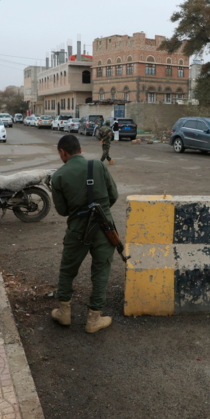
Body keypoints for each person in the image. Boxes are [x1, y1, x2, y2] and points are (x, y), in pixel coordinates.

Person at [50, 134, 119, 333]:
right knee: (101, 270)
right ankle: (94, 319)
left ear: (63, 152)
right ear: (80, 150)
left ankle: (64, 313)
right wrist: (101, 211)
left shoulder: (58, 176)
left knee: (67, 269)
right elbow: (113, 195)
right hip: (105, 228)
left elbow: (62, 211)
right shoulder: (98, 166)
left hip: (77, 229)